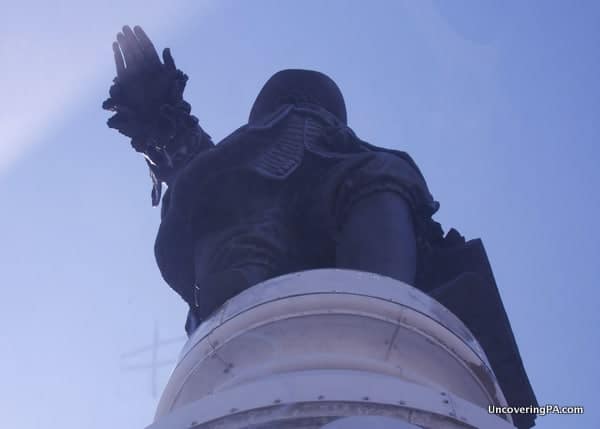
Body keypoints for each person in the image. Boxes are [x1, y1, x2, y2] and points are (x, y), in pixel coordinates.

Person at [103, 27, 537, 428]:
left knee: (379, 187)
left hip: (360, 319)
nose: (302, 121)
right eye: (293, 108)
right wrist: (164, 118)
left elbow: (190, 158)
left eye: (311, 110)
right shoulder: (244, 166)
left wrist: (167, 120)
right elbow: (190, 160)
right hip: (245, 320)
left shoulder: (367, 166)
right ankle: (348, 310)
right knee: (239, 206)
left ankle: (374, 310)